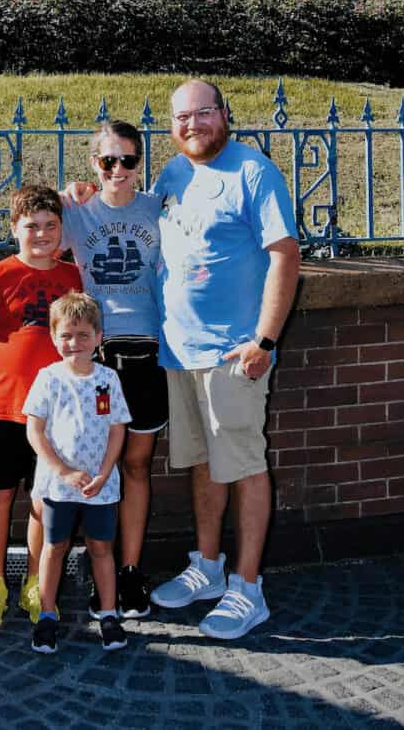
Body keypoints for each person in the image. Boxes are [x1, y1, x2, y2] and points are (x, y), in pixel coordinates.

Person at [0, 120, 166, 618]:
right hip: (55, 375)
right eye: (107, 161)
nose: (118, 169)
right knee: (23, 485)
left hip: (133, 355)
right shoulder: (73, 215)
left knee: (119, 469)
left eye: (128, 160)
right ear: (93, 165)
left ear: (142, 162)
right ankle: (11, 582)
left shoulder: (154, 211)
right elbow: (37, 220)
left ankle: (112, 574)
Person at [148, 78, 301, 641]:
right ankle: (208, 567)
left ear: (225, 114)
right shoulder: (173, 173)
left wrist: (264, 340)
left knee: (243, 463)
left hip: (235, 352)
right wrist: (85, 194)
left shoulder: (254, 172)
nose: (193, 125)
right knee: (204, 462)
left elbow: (285, 255)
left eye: (203, 113)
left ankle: (248, 586)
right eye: (183, 117)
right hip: (178, 349)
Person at [0, 183, 81, 629]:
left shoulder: (74, 277)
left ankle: (36, 581)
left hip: (56, 412)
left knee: (43, 499)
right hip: (2, 405)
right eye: (32, 226)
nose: (42, 234)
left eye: (51, 226)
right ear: (14, 229)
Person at [24, 290, 132, 654]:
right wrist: (63, 470)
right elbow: (34, 431)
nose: (75, 343)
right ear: (54, 338)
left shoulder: (108, 379)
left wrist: (104, 472)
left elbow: (118, 427)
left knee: (102, 548)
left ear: (98, 337)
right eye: (66, 335)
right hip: (59, 485)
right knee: (54, 547)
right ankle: (47, 615)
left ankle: (108, 612)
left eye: (83, 334)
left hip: (101, 485)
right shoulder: (48, 378)